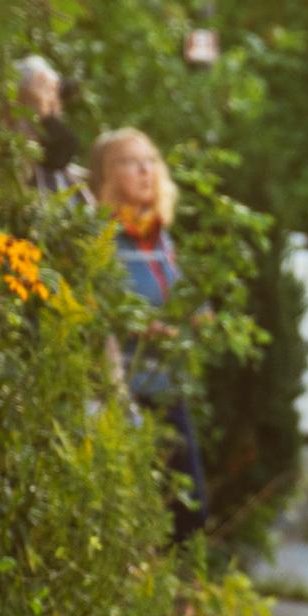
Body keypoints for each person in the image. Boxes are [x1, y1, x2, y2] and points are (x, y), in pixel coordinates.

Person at [92, 127, 207, 521]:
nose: (145, 171)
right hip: (123, 392)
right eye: (130, 162)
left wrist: (198, 314)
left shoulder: (162, 238)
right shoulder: (101, 238)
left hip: (167, 387)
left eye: (150, 161)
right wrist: (146, 327)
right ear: (107, 175)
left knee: (189, 510)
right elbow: (98, 309)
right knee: (134, 512)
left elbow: (187, 298)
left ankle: (183, 582)